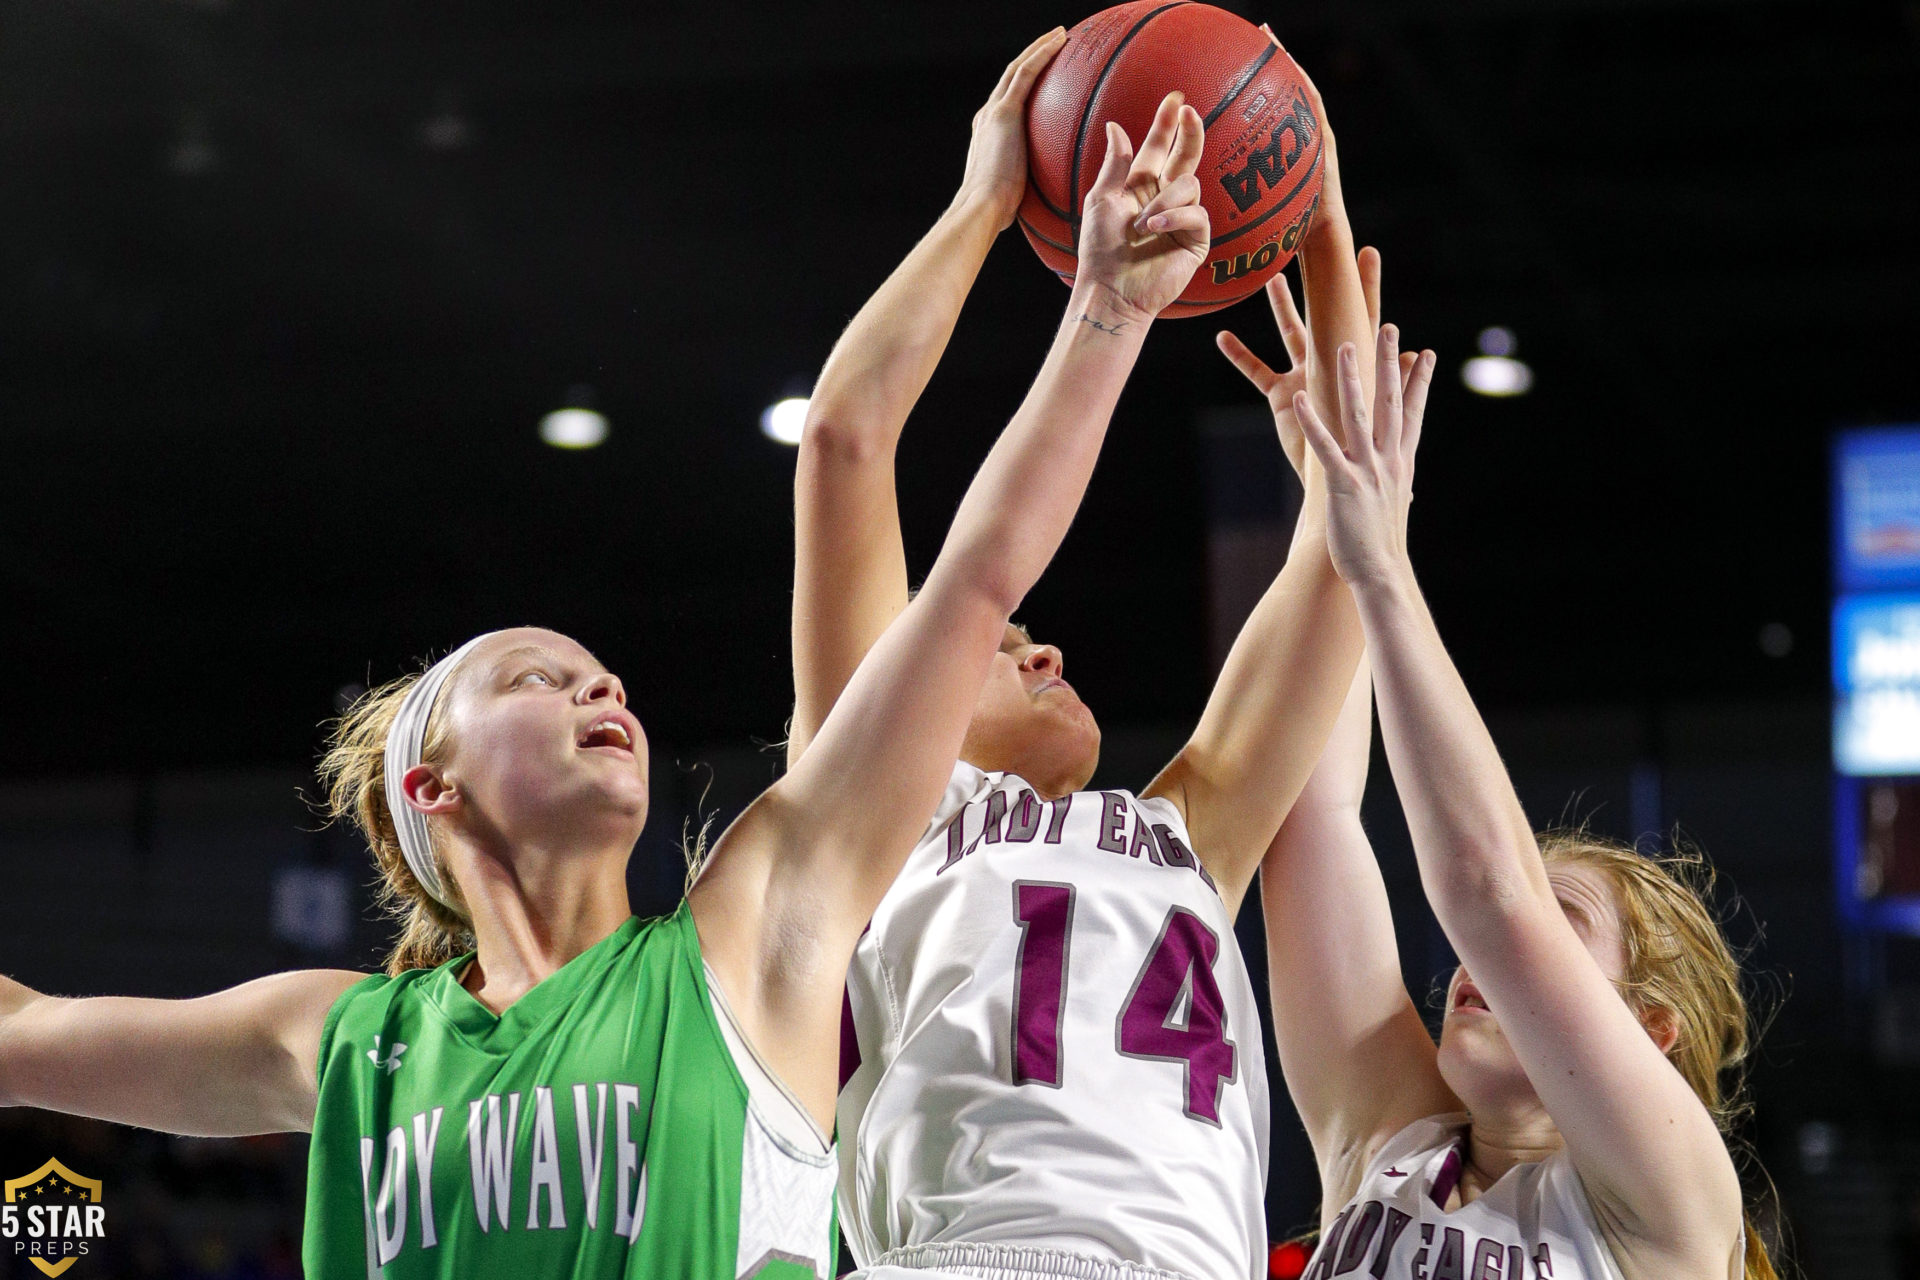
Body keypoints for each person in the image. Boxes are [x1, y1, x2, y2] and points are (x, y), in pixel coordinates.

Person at [0, 85, 1212, 1279]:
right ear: (435, 783)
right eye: (540, 678)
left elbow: (973, 582)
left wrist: (1094, 301)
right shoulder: (344, 1043)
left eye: (603, 674)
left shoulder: (753, 931)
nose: (604, 688)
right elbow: (20, 1032)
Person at [787, 32, 1382, 1280]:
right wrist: (985, 202)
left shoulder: (1191, 832)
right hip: (966, 1255)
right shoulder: (866, 809)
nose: (1042, 642)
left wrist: (1314, 209)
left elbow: (1341, 547)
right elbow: (848, 435)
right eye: (1000, 646)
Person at [1262, 326, 1778, 1280]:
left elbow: (1492, 896)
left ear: (1648, 1026)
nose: (1479, 957)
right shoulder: (1386, 1148)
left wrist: (1385, 564)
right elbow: (1310, 812)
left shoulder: (1669, 1200)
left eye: (1564, 921)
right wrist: (1326, 500)